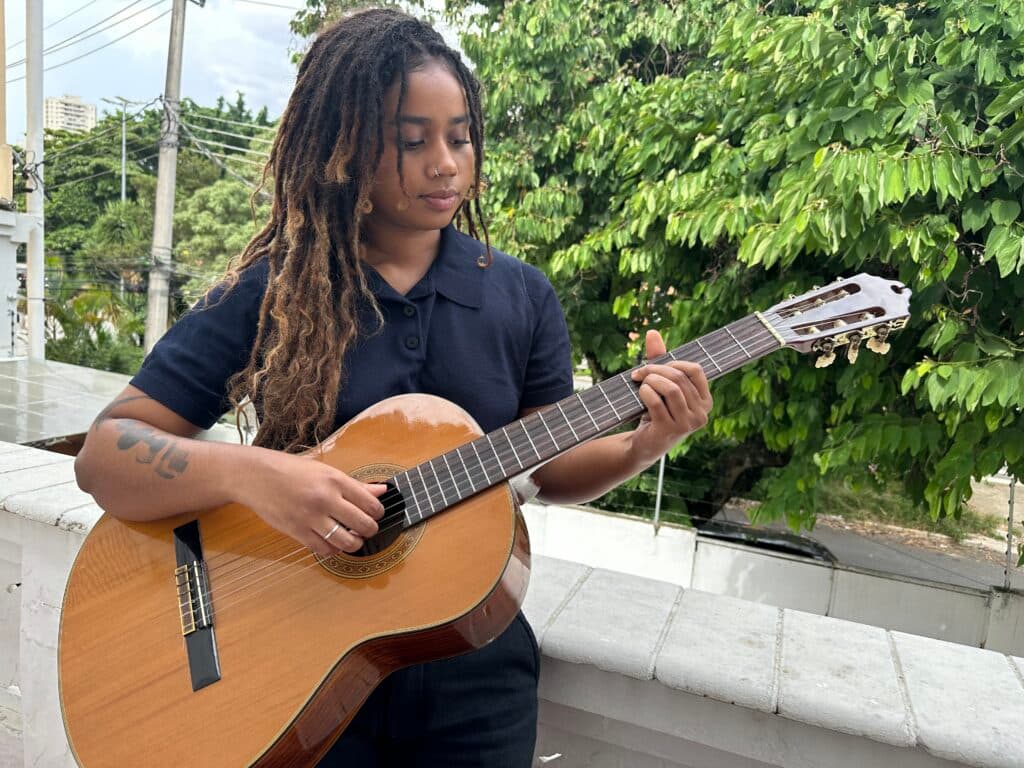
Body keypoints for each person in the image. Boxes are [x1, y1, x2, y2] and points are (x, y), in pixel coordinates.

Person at [73, 7, 713, 767]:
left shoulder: (522, 297)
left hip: (473, 670)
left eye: (460, 137)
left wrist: (648, 440)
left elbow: (547, 466)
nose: (445, 163)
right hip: (294, 660)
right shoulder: (275, 289)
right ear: (341, 150)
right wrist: (260, 476)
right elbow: (106, 454)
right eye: (413, 141)